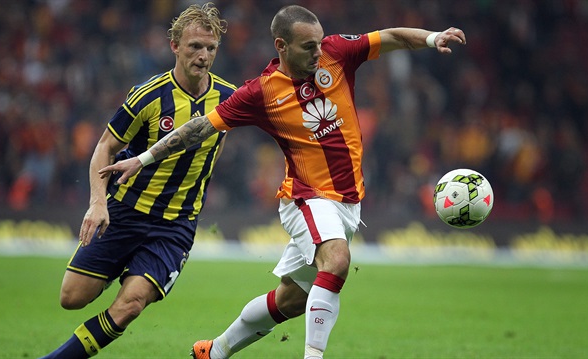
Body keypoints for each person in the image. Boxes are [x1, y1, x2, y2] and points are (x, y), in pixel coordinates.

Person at [100, 5, 466, 359]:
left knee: (291, 300)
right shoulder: (260, 92)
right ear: (281, 46)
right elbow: (199, 128)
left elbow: (389, 37)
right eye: (309, 47)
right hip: (306, 198)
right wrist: (144, 157)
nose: (318, 52)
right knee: (336, 261)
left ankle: (214, 351)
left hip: (348, 202)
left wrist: (433, 37)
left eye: (320, 43)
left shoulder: (336, 53)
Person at [39, 3, 236, 358]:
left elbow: (216, 148)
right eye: (195, 47)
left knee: (131, 304)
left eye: (210, 48)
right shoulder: (148, 95)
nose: (203, 56)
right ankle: (120, 263)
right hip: (124, 211)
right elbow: (104, 148)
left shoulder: (228, 99)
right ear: (174, 46)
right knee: (72, 297)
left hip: (174, 227)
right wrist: (98, 203)